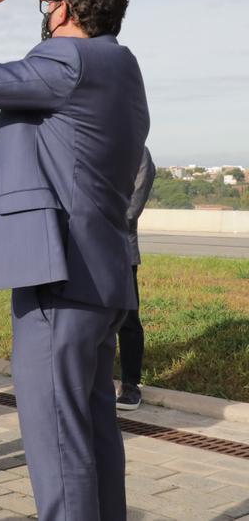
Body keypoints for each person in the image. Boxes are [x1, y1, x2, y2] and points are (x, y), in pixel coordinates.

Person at [0, 0, 149, 519]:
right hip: (103, 276)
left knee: (56, 441)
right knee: (94, 430)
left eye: (47, 4)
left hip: (59, 277)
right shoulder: (124, 67)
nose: (44, 13)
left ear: (68, 9)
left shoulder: (66, 60)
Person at [117, 146, 156, 411]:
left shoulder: (138, 151)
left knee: (128, 320)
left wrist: (95, 223)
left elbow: (132, 209)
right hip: (84, 250)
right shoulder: (89, 141)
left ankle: (131, 384)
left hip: (121, 251)